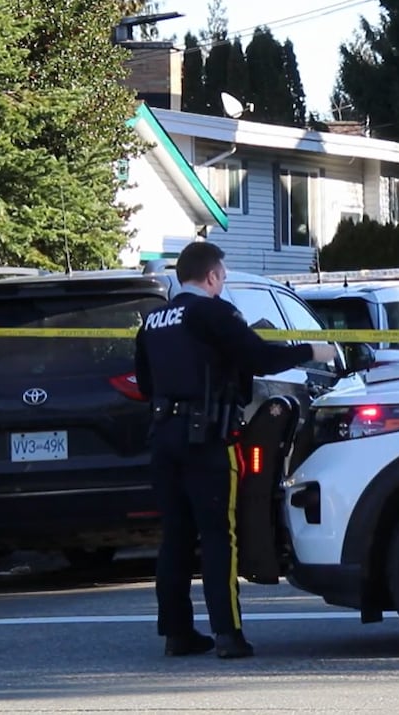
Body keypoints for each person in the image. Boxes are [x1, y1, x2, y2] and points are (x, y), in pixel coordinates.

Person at [134, 241, 336, 659]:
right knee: (217, 537)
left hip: (164, 436)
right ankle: (228, 635)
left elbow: (145, 382)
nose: (222, 284)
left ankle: (177, 633)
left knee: (174, 537)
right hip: (206, 439)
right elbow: (259, 357)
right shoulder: (214, 312)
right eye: (222, 278)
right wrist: (314, 350)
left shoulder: (154, 320)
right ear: (211, 277)